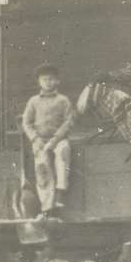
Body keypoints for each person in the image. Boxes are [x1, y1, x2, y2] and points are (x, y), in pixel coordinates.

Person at [22, 63, 74, 213]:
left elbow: (68, 121)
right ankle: (47, 207)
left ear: (57, 81)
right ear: (39, 82)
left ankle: (60, 192)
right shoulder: (33, 101)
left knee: (63, 153)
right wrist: (35, 139)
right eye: (44, 79)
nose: (48, 82)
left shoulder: (63, 100)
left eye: (51, 79)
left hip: (58, 140)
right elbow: (27, 122)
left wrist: (55, 140)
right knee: (42, 168)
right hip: (40, 140)